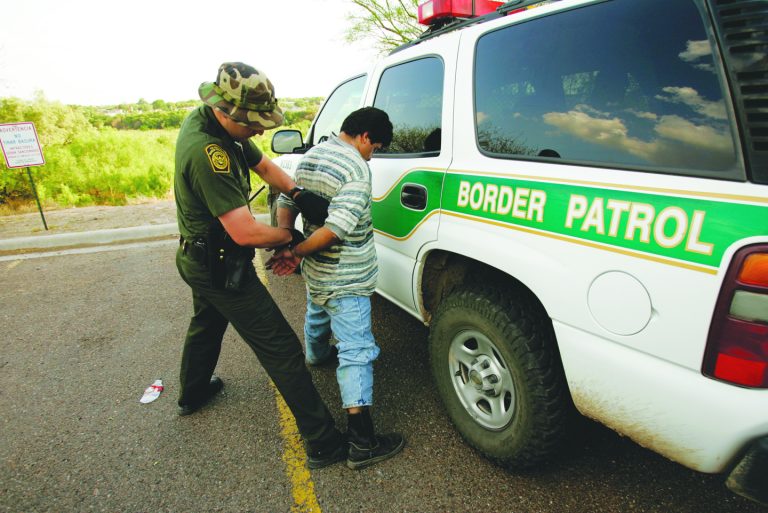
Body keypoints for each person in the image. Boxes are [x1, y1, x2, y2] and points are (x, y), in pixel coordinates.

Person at [174, 61, 345, 469]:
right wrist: (292, 236)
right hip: (220, 265)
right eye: (254, 124)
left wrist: (298, 193)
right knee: (282, 349)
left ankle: (193, 393)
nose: (261, 130)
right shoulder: (207, 152)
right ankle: (323, 442)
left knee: (207, 323)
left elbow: (264, 166)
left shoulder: (218, 125)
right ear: (225, 112)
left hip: (199, 259)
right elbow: (246, 233)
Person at [269, 107, 405, 470]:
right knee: (357, 350)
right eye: (374, 147)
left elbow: (286, 199)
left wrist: (287, 241)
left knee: (317, 307)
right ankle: (362, 440)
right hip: (348, 276)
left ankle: (315, 354)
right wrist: (295, 252)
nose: (372, 154)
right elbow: (335, 232)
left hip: (318, 272)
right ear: (364, 138)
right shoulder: (356, 171)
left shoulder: (313, 155)